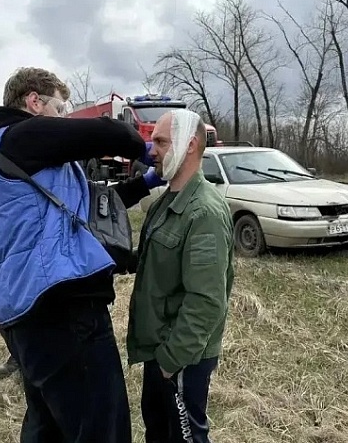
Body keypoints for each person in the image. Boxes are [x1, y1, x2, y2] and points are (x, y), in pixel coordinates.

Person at [0, 66, 165, 443]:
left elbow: (90, 207)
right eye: (62, 109)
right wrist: (144, 149)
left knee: (50, 425)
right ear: (34, 102)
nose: (66, 117)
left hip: (29, 306)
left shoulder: (23, 158)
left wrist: (144, 184)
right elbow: (107, 131)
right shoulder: (17, 137)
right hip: (59, 308)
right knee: (99, 425)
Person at [126, 109, 234, 443]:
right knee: (158, 431)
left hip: (181, 357)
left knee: (185, 436)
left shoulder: (204, 212)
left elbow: (206, 300)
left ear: (189, 145)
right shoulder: (167, 200)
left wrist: (171, 361)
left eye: (159, 141)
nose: (151, 150)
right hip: (159, 348)